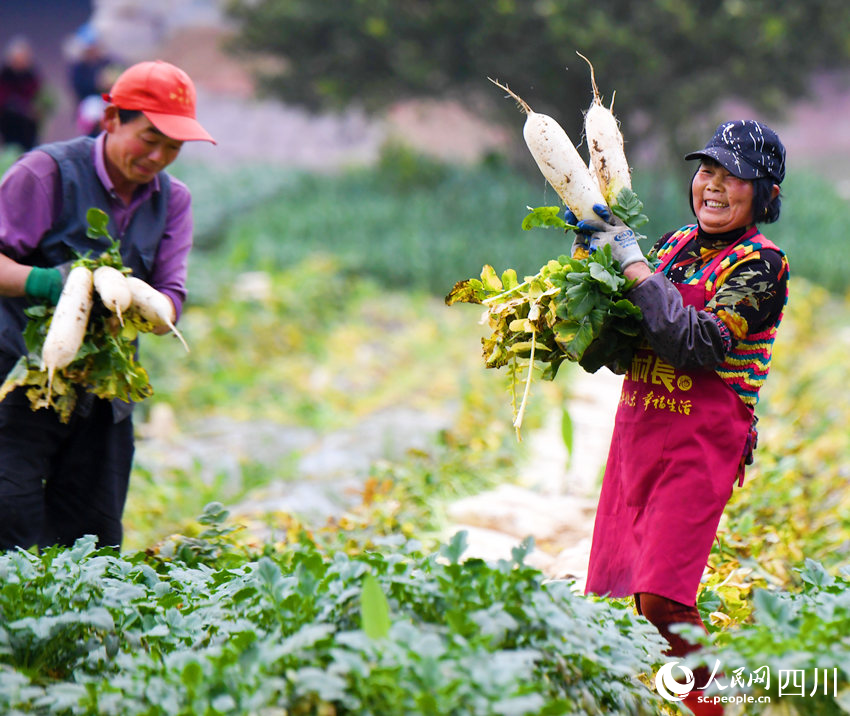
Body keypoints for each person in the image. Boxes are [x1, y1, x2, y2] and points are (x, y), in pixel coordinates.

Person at [575, 120, 788, 716]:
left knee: (665, 599)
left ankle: (712, 707)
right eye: (706, 171)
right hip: (640, 433)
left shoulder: (761, 267)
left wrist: (634, 268)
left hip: (700, 445)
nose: (713, 186)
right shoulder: (670, 247)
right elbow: (618, 354)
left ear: (764, 194)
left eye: (733, 176)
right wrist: (581, 287)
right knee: (629, 597)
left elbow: (696, 345)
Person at [0, 60, 215, 552]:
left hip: (104, 393)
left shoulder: (173, 201)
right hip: (19, 379)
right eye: (149, 138)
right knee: (9, 518)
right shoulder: (46, 173)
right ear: (112, 118)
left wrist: (150, 310)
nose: (158, 156)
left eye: (173, 147)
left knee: (92, 537)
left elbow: (172, 295)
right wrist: (47, 282)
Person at [0, 36, 44, 151]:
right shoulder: (5, 76)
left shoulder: (32, 76)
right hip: (10, 124)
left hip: (29, 127)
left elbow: (39, 96)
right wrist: (22, 107)